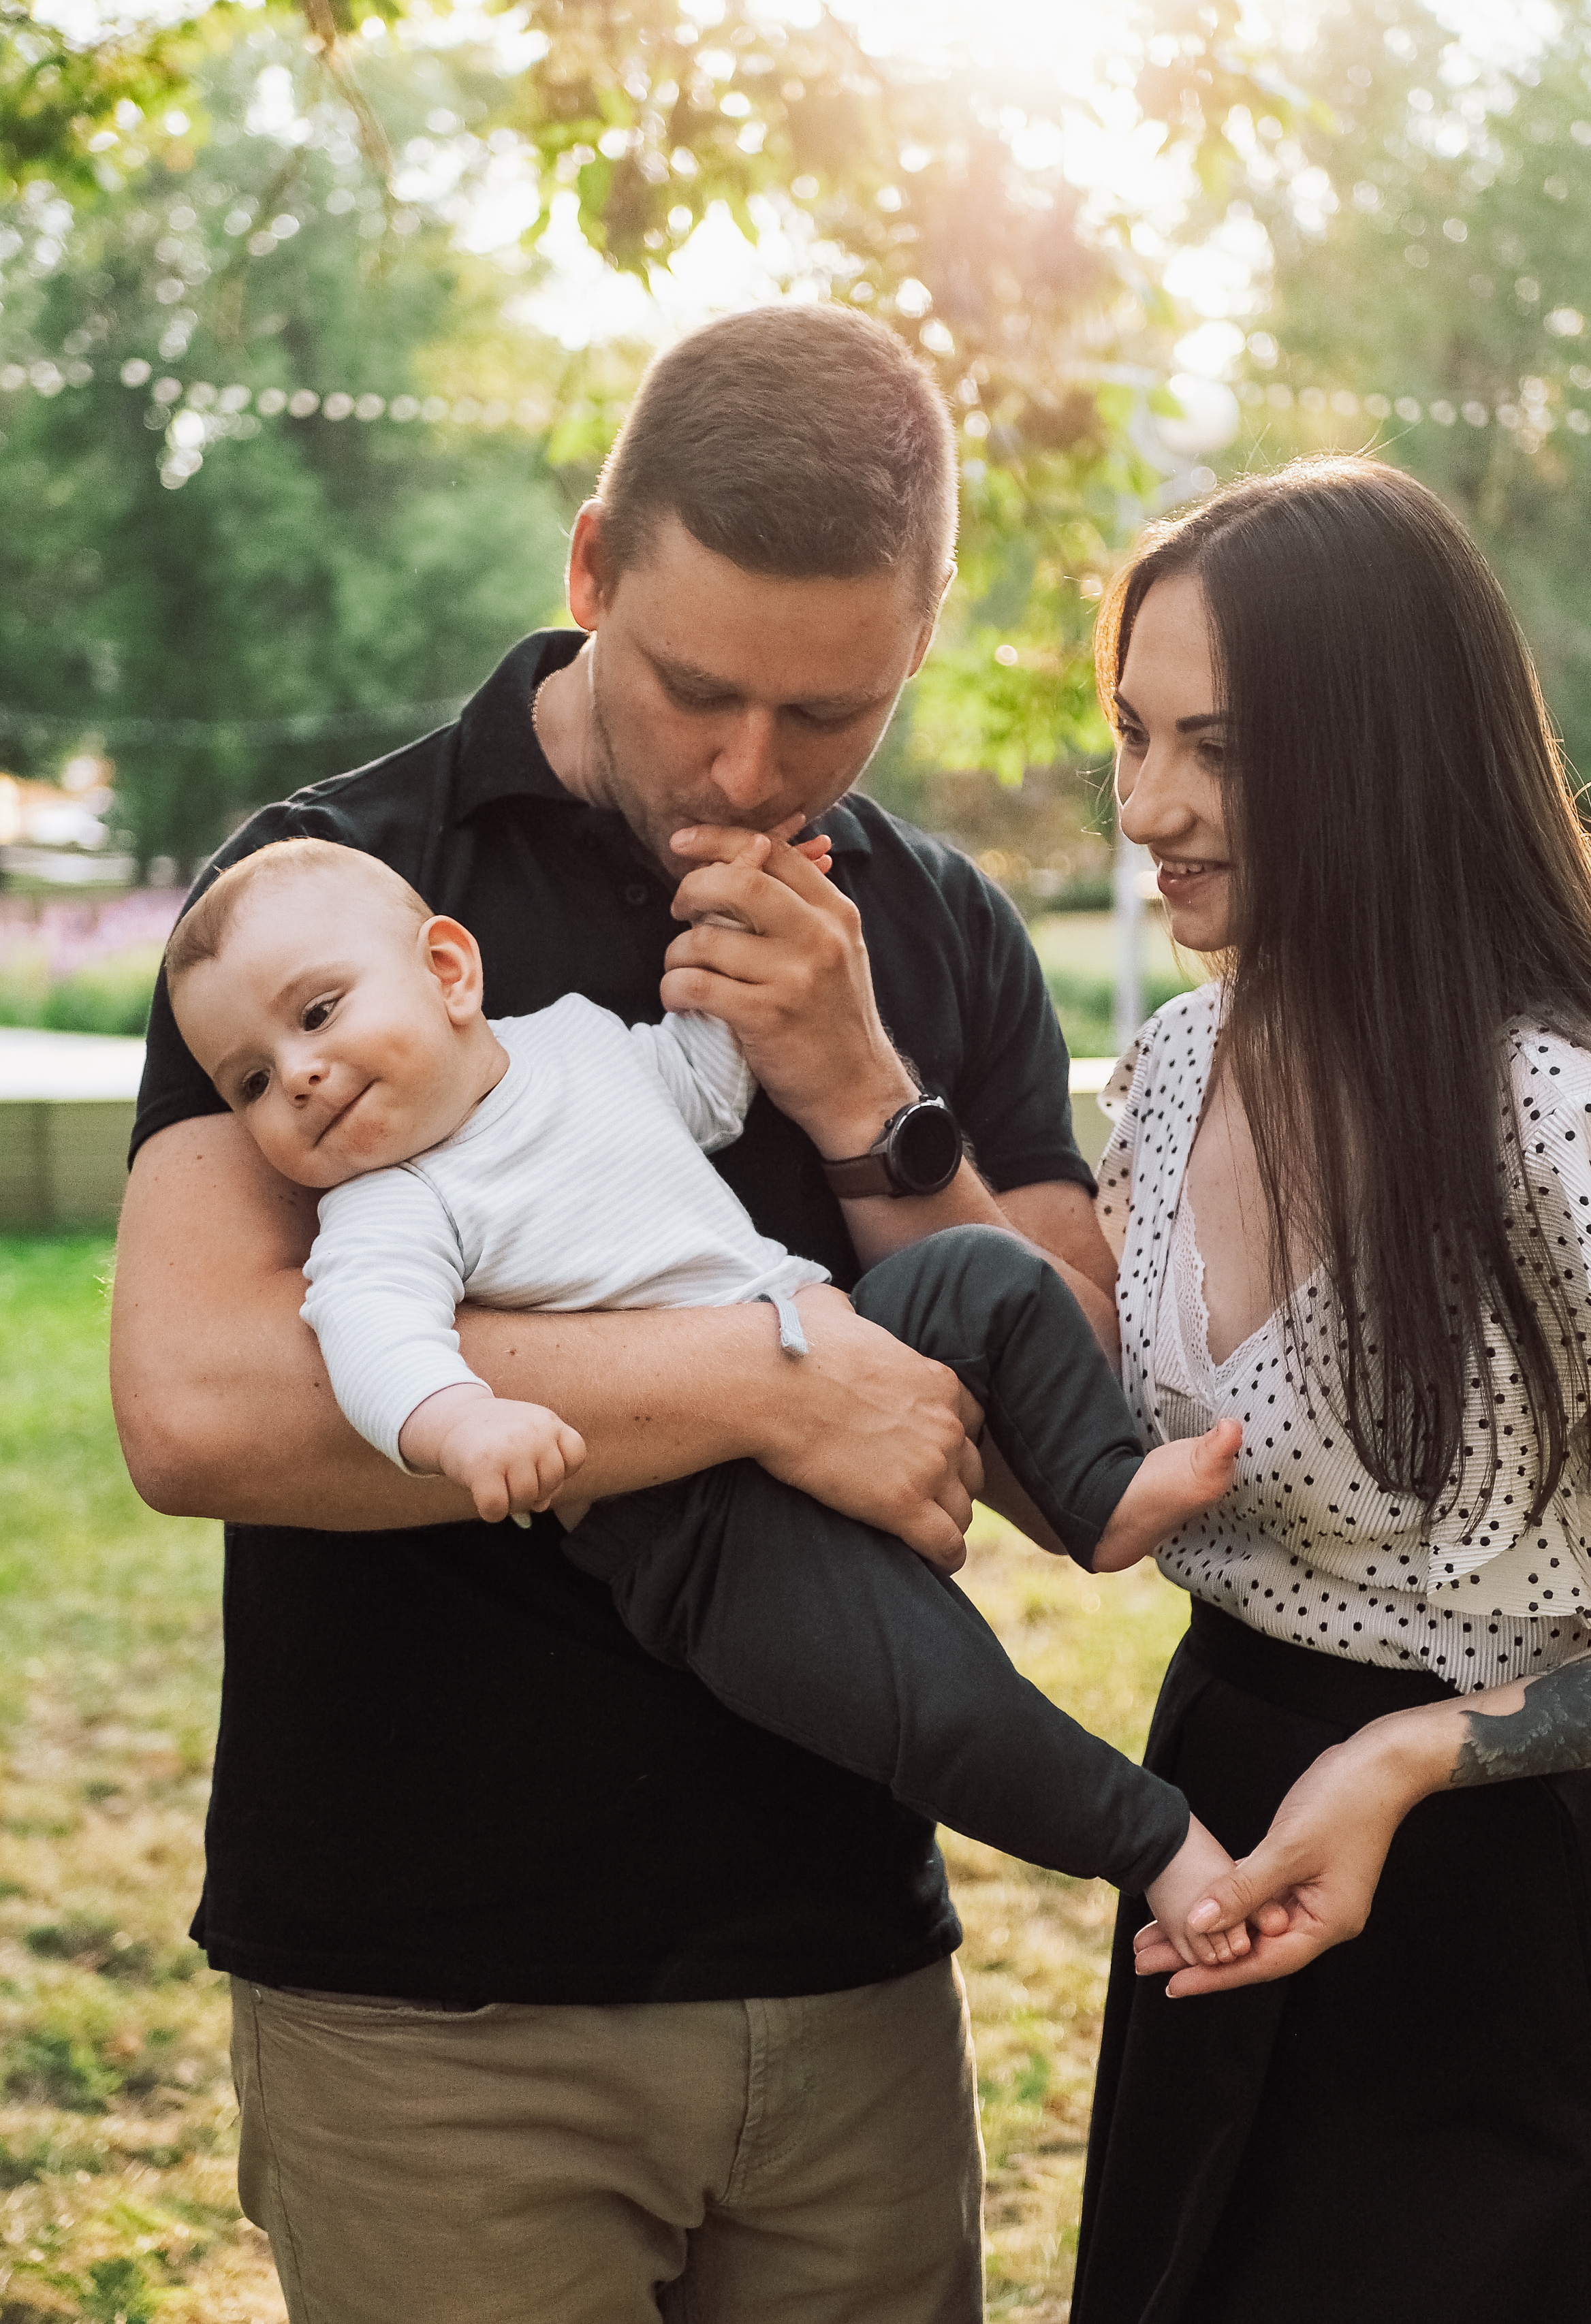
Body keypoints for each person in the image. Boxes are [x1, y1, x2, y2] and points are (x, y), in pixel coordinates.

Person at [110, 301, 1173, 2324]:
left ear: (921, 641)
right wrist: (763, 1379)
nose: (748, 770)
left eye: (831, 713)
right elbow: (199, 1401)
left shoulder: (943, 923)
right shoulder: (326, 903)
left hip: (852, 1976)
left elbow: (1080, 1448)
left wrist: (865, 1097)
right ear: (593, 567)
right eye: (697, 690)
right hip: (436, 2007)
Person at [1067, 454, 1591, 2324]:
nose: (1146, 804)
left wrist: (1414, 1754)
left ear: (1384, 756)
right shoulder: (1179, 1062)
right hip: (1213, 1832)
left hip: (1499, 1920)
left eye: (1218, 749)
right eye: (1131, 734)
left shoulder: (1562, 1123)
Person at [159, 830, 1251, 1922]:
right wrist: (460, 1424)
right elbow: (371, 1341)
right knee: (938, 1699)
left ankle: (1099, 1493)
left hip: (833, 1330)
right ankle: (1157, 1843)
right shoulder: (388, 1208)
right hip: (701, 1522)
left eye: (317, 1014)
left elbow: (705, 1083)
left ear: (448, 971)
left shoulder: (574, 1040)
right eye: (250, 1081)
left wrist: (745, 935)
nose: (296, 1075)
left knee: (985, 1271)